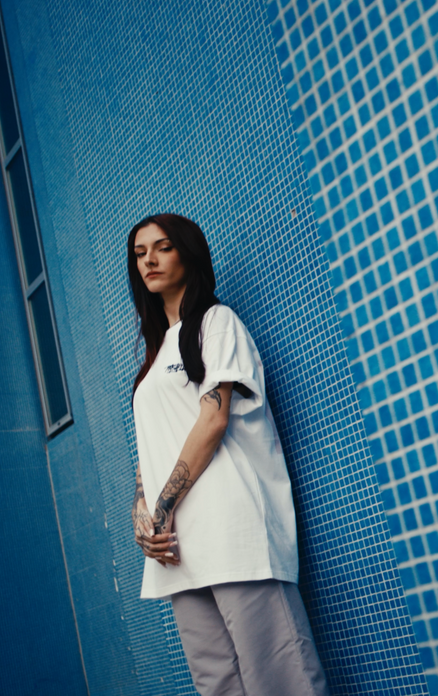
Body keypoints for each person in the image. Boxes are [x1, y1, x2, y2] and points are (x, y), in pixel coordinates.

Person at [126, 213, 329, 696]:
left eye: (163, 247)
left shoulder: (216, 323)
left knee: (281, 679)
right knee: (217, 685)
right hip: (176, 550)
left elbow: (212, 420)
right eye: (139, 253)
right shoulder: (154, 358)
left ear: (188, 254)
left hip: (231, 533)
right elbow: (155, 442)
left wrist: (163, 506)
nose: (149, 260)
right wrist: (141, 511)